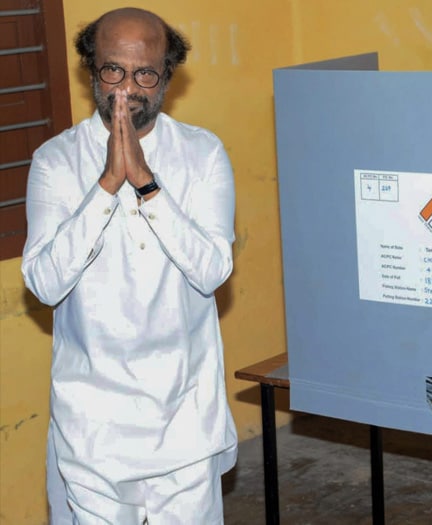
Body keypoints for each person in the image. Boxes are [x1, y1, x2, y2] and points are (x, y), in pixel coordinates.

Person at [22, 7, 237, 524]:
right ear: (91, 70)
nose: (127, 89)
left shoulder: (202, 153)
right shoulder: (56, 160)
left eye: (145, 73)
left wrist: (147, 184)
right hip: (92, 423)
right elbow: (45, 284)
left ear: (167, 75)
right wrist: (106, 187)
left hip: (186, 417)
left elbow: (212, 272)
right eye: (113, 70)